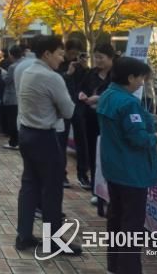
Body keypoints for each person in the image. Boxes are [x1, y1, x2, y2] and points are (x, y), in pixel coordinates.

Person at [97, 57, 157, 274]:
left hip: (114, 168)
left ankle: (115, 265)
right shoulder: (128, 102)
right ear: (130, 77)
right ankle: (129, 268)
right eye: (141, 78)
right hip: (131, 171)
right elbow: (139, 139)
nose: (142, 82)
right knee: (131, 224)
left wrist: (152, 121)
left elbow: (130, 123)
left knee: (116, 218)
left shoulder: (108, 95)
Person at [15, 35, 80, 256]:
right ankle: (52, 242)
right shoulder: (52, 77)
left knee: (29, 186)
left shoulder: (28, 71)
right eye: (60, 54)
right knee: (51, 190)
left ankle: (23, 235)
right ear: (47, 54)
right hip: (45, 137)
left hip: (27, 133)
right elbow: (69, 111)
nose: (62, 58)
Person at [76, 44, 114, 197]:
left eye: (101, 57)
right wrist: (82, 95)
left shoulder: (117, 75)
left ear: (110, 58)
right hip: (91, 118)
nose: (98, 60)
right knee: (93, 151)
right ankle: (96, 189)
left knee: (109, 153)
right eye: (96, 57)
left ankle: (110, 189)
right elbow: (81, 88)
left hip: (110, 119)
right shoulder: (91, 73)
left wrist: (99, 98)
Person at [58, 39, 89, 189]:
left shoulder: (82, 66)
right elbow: (57, 82)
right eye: (71, 53)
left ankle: (83, 174)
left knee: (82, 140)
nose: (74, 57)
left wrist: (86, 68)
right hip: (64, 106)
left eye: (77, 54)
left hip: (79, 106)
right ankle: (61, 175)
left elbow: (88, 85)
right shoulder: (59, 64)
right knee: (61, 141)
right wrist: (68, 73)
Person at [2, 45, 24, 150]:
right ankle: (19, 141)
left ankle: (13, 142)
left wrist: (3, 74)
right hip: (21, 96)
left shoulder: (12, 67)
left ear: (11, 55)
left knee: (12, 120)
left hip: (12, 96)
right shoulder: (24, 64)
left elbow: (7, 81)